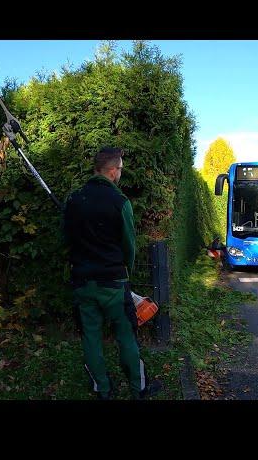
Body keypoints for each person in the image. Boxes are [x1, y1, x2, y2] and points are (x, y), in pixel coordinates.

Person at [63, 147, 161, 400]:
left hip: (82, 281)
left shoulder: (73, 200)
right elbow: (129, 245)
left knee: (91, 336)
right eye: (120, 169)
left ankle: (103, 390)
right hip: (114, 283)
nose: (120, 173)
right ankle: (137, 388)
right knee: (126, 334)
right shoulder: (121, 202)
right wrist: (123, 269)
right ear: (112, 170)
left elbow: (67, 239)